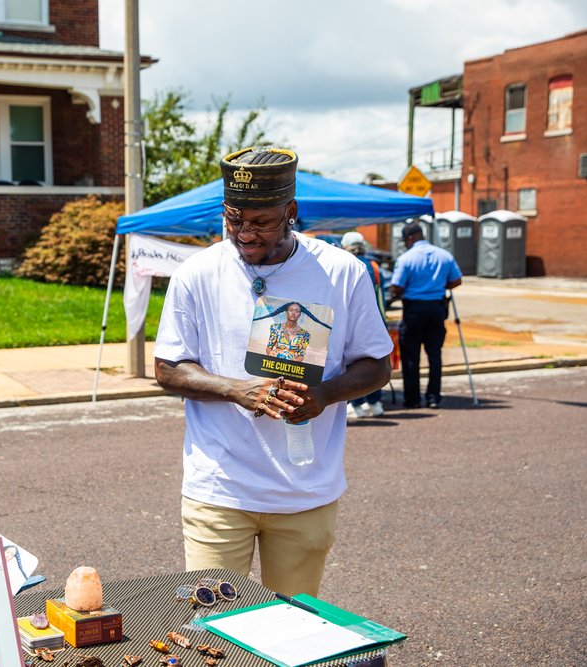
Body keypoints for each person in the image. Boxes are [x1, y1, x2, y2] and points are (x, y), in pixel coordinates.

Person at [153, 147, 392, 596]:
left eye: (260, 222)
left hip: (304, 491)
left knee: (293, 631)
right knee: (213, 632)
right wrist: (236, 390)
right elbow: (167, 369)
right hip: (219, 491)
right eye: (233, 218)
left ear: (291, 212)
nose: (244, 233)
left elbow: (377, 365)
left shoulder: (342, 272)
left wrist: (323, 396)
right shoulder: (197, 274)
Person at [390, 222, 463, 409]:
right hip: (437, 308)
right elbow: (456, 280)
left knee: (411, 356)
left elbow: (397, 286)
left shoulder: (406, 258)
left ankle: (412, 399)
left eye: (405, 241)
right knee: (434, 355)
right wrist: (438, 287)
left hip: (414, 309)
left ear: (411, 238)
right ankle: (433, 397)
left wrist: (403, 291)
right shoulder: (444, 255)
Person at [341, 232, 387, 418]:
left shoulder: (345, 265)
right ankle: (375, 403)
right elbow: (382, 296)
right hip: (375, 321)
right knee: (374, 362)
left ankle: (355, 404)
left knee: (351, 366)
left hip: (351, 322)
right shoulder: (374, 266)